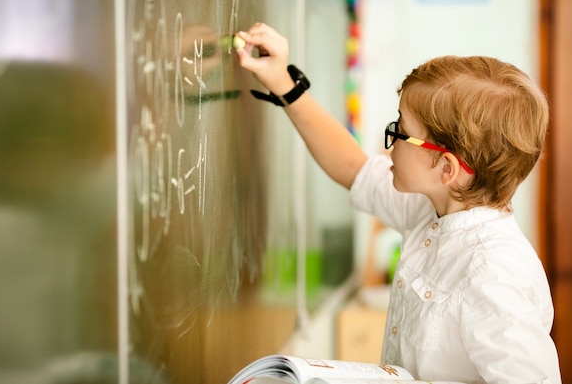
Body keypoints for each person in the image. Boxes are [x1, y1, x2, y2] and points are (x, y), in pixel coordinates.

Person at [234, 23, 562, 384]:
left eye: (400, 132)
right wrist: (284, 83)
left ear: (446, 167)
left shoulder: (494, 270)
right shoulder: (431, 209)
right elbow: (353, 167)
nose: (390, 144)